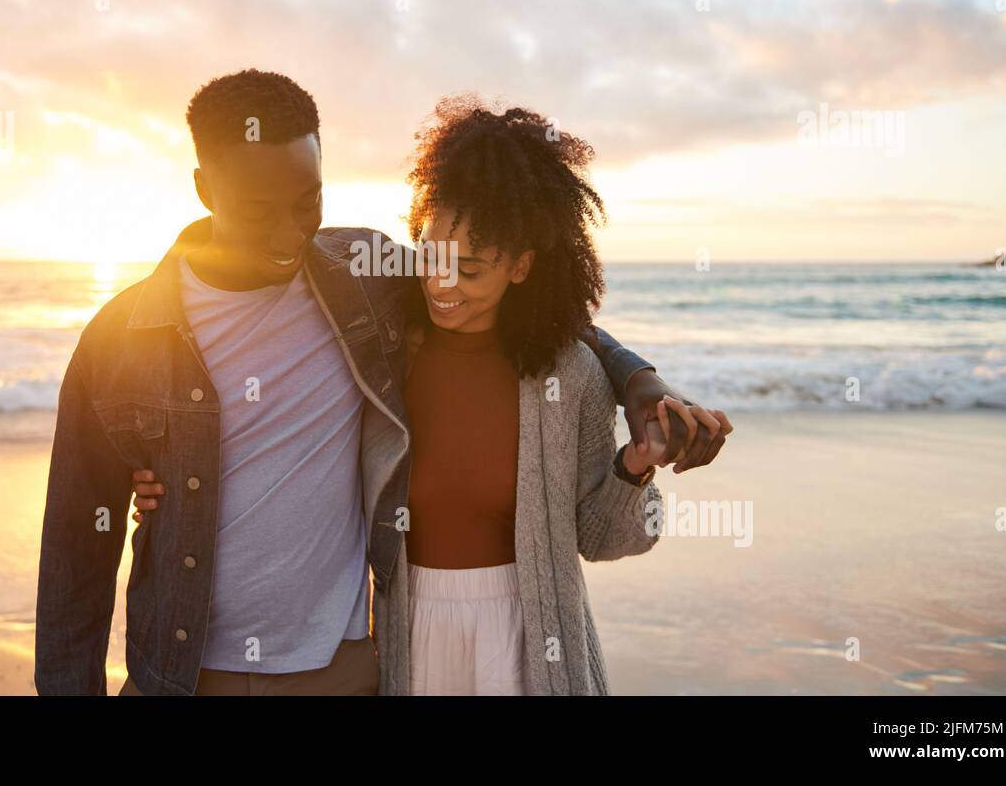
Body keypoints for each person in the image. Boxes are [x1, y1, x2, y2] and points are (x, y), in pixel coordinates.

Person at [36, 69, 728, 696]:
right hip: (187, 674)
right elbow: (74, 556)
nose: (288, 235)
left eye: (307, 202)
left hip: (343, 671)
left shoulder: (359, 279)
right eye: (257, 211)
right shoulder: (122, 338)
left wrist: (637, 381)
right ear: (203, 189)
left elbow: (531, 314)